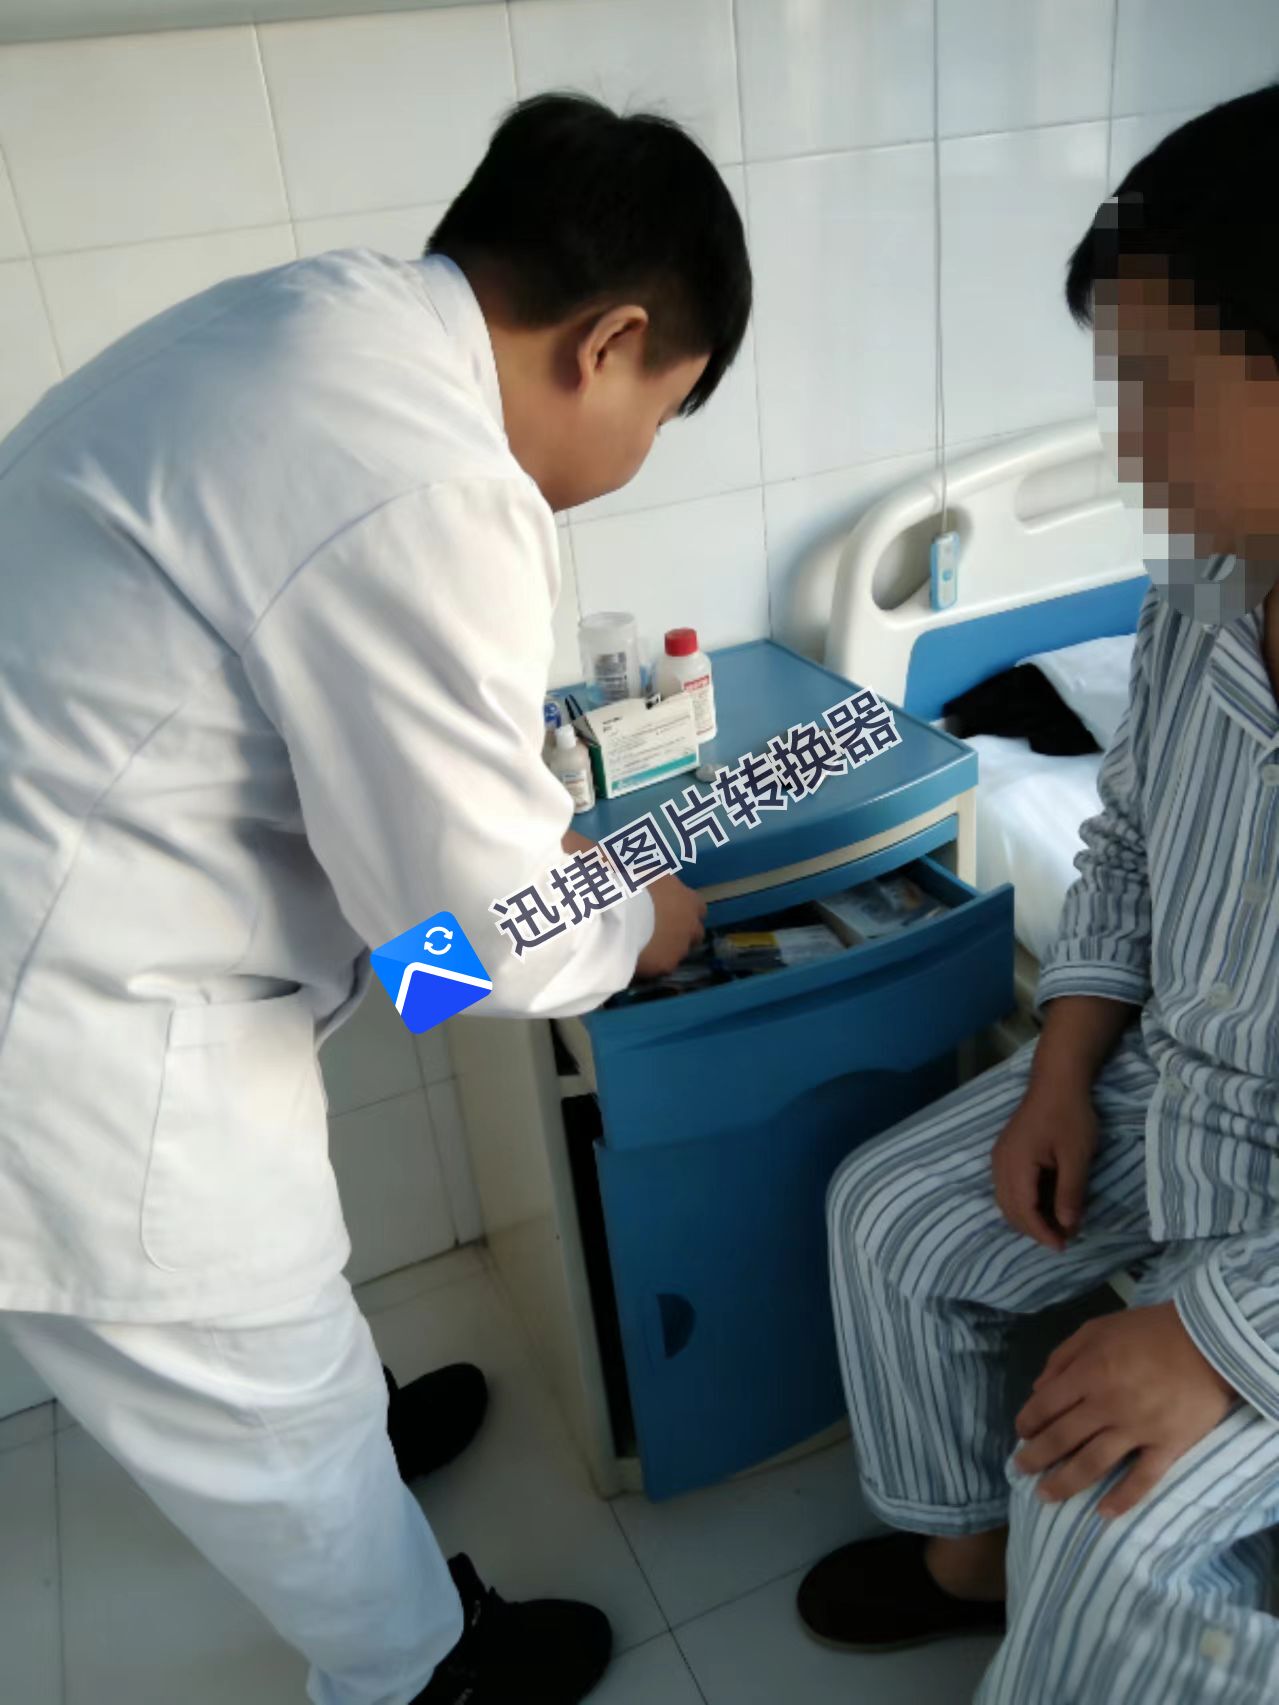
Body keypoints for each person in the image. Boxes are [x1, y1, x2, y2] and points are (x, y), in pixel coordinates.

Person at [0, 93, 750, 1705]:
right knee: (254, 1373)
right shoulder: (432, 483)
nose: (639, 457)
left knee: (286, 1318)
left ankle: (342, 1438)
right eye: (668, 412)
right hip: (77, 1036)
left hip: (94, 917)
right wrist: (638, 919)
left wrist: (512, 861)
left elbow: (419, 897)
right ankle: (420, 1670)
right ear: (613, 342)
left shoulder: (320, 326)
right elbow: (487, 944)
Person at [802, 84, 1279, 1705]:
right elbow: (1129, 841)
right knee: (883, 1209)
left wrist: (1213, 1336)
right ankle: (967, 1568)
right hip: (1177, 1088)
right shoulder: (1204, 592)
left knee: (1104, 1514)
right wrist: (1061, 1070)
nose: (1132, 450)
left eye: (1165, 393)